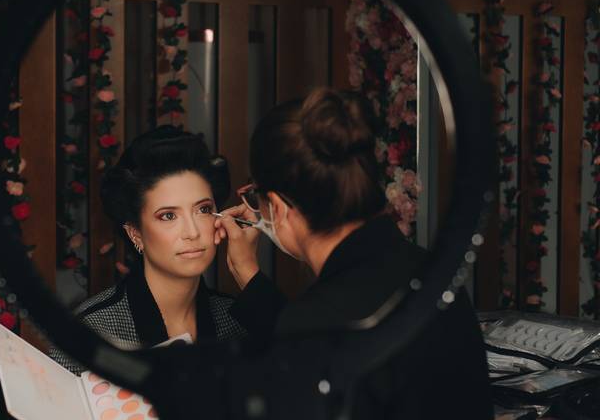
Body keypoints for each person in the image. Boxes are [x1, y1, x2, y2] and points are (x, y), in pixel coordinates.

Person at [215, 88, 493, 418]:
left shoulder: (317, 322)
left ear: (277, 206)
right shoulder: (433, 274)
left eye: (255, 198)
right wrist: (249, 275)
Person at [51, 126, 245, 373]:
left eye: (203, 209)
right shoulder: (89, 333)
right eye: (168, 215)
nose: (192, 232)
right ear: (136, 233)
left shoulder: (239, 321)